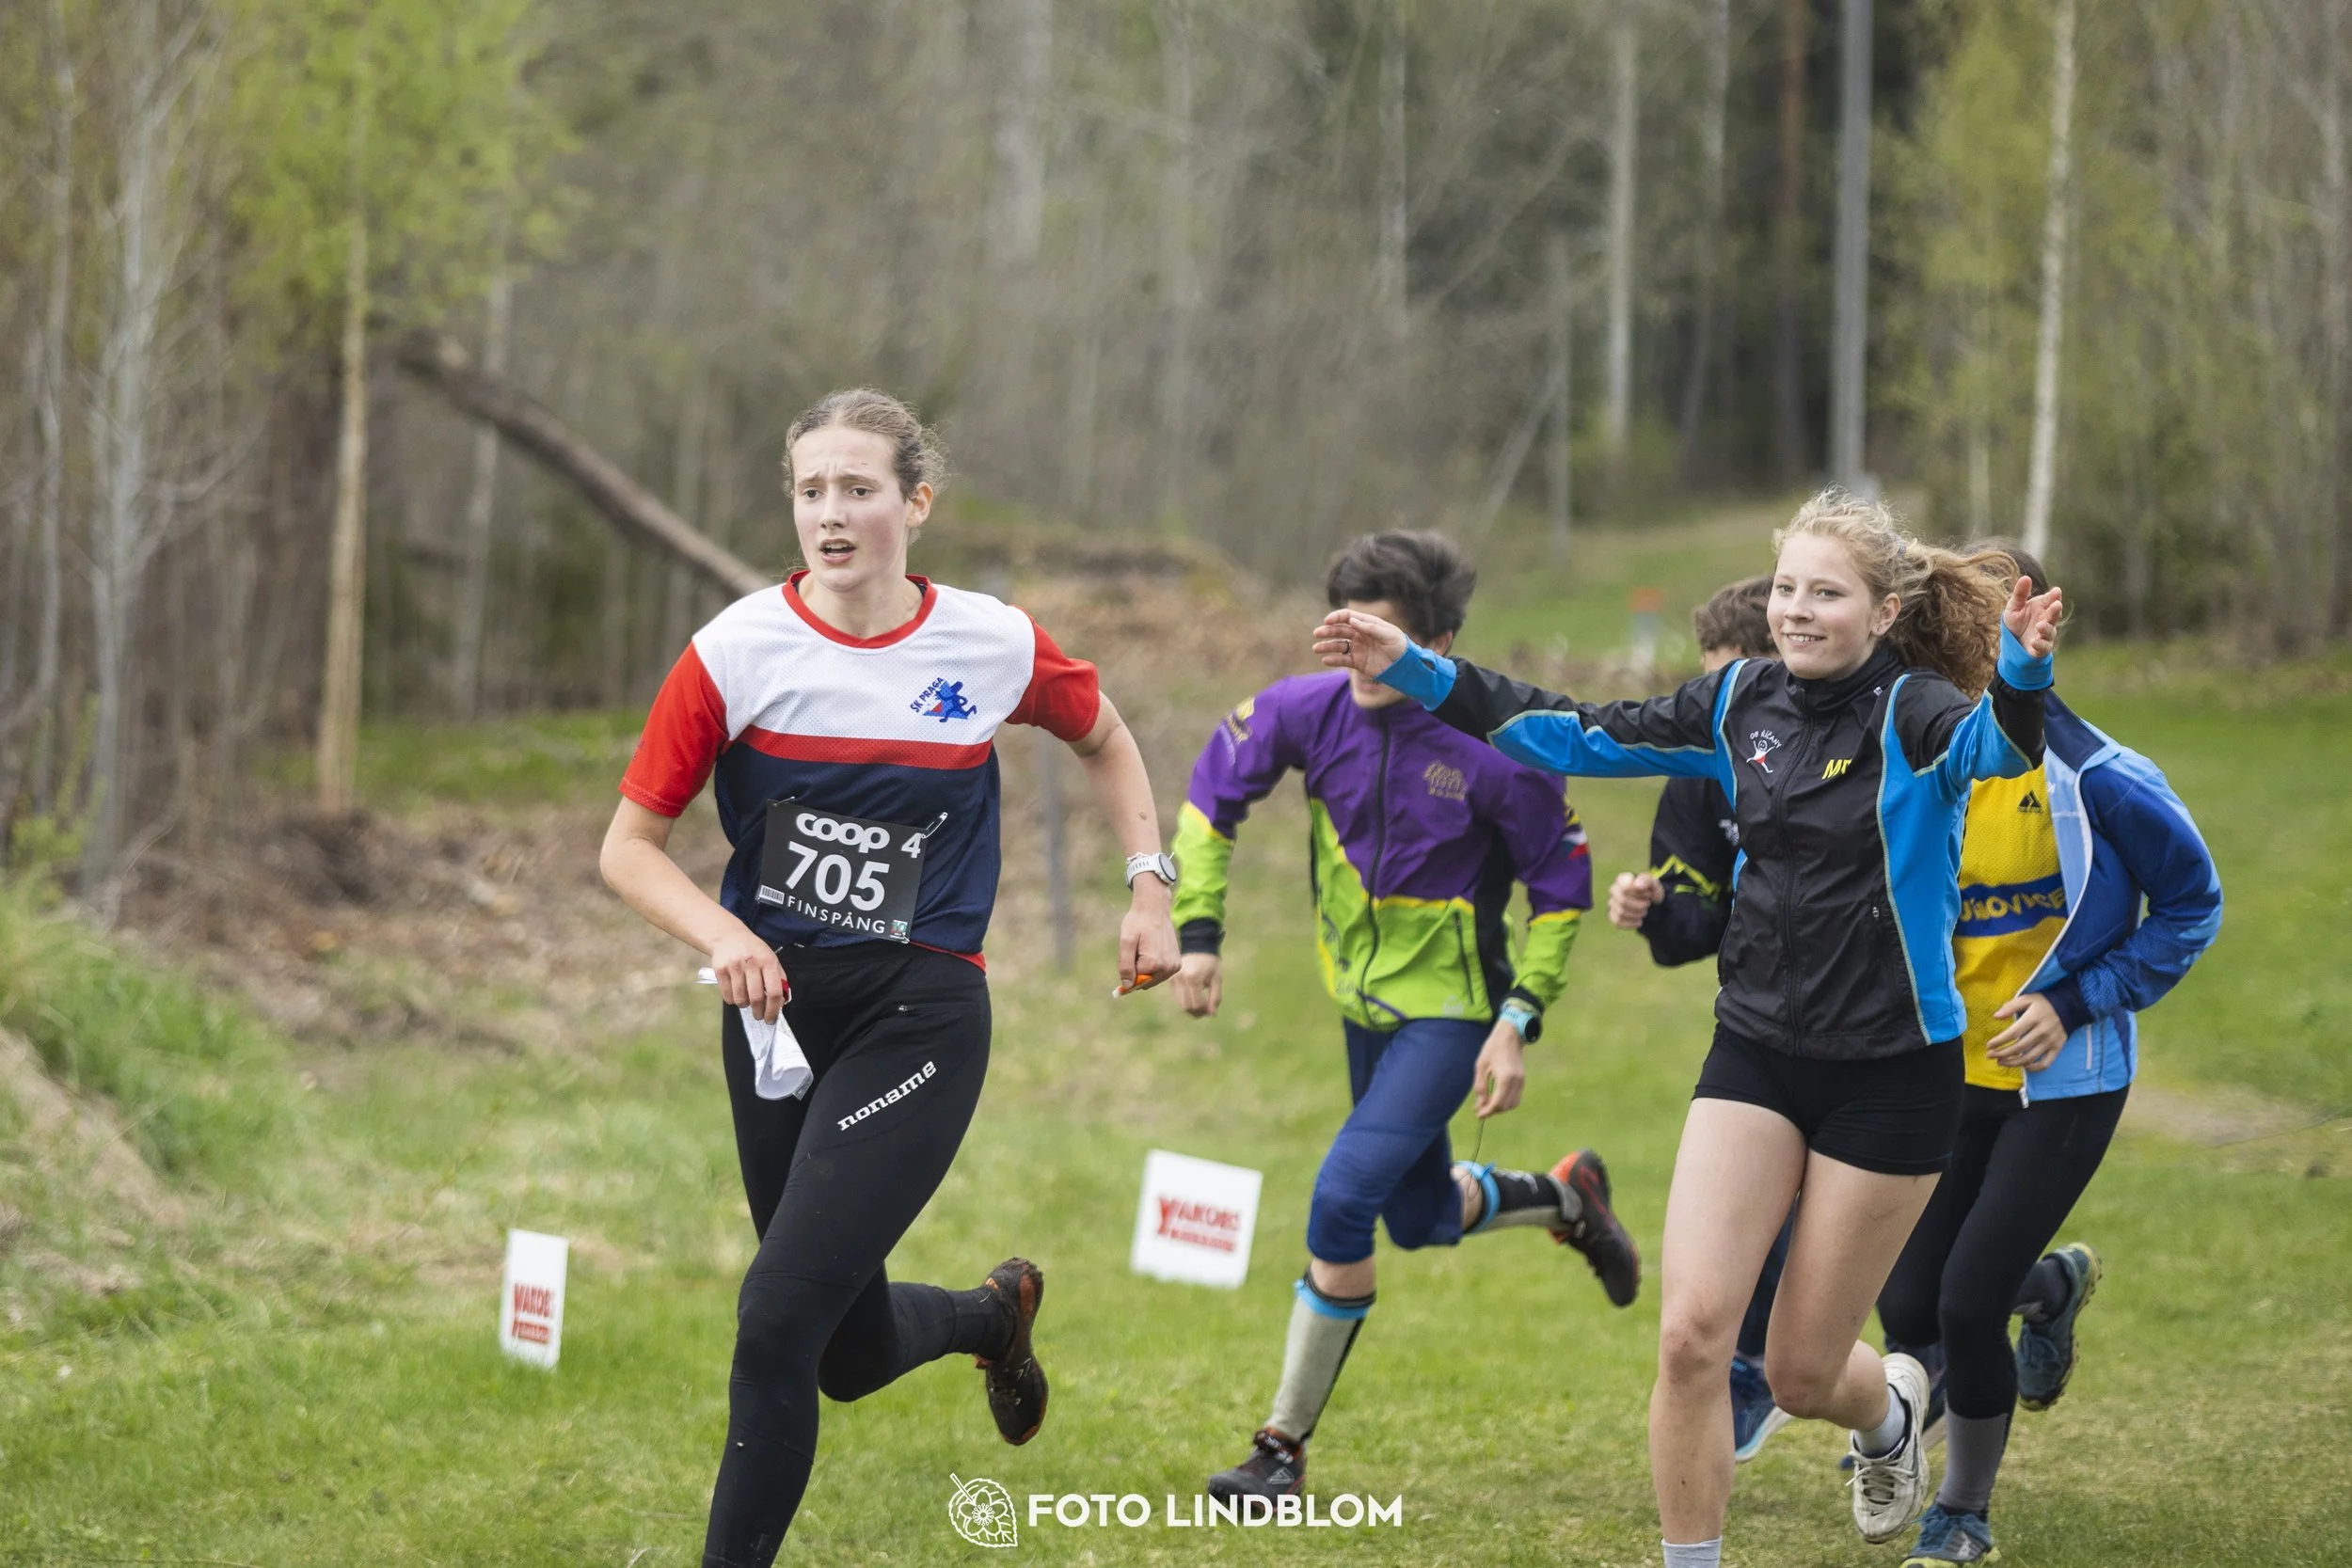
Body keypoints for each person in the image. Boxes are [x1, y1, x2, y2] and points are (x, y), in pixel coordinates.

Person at [1315, 490, 2065, 1565]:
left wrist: (2025, 671)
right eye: (1789, 590)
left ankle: (1887, 1412)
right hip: (1755, 1051)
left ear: (1885, 607)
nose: (1799, 612)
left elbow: (2001, 751)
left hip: (1892, 1074)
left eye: (1827, 593)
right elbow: (1564, 732)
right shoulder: (1737, 703)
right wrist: (1418, 665)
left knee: (1803, 1371)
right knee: (1689, 1337)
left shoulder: (1916, 714)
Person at [599, 389, 1181, 1568]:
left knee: (771, 1320)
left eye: (857, 487)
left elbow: (1105, 737)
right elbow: (626, 847)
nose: (831, 512)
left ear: (914, 502)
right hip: (771, 1017)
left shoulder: (989, 639)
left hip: (918, 1014)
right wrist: (723, 934)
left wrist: (1148, 883)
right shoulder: (735, 650)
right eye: (811, 489)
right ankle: (987, 1314)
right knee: (840, 1351)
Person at [1168, 530, 1641, 1502]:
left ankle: (1279, 1451)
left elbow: (1560, 893)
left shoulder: (1500, 747)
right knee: (1420, 1217)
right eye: (1345, 637)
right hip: (1357, 1005)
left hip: (1453, 1015)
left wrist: (1516, 1019)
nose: (1361, 664)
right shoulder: (1303, 710)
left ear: (1442, 642)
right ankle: (1565, 1197)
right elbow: (1212, 795)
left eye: (1383, 641)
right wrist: (1199, 930)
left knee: (1342, 1201)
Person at [1872, 543, 2222, 1567]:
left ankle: (1963, 1511)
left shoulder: (2105, 777)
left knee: (1964, 1300)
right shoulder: (1927, 756)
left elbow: (2192, 905)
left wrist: (2073, 1001)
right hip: (1951, 1072)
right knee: (1907, 1302)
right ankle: (2051, 1288)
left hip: (2065, 1079)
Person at [1604, 575, 1800, 1465]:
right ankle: (1751, 1365)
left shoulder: (1861, 749)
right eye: (1707, 682)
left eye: (1737, 682)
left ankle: (2021, 1292)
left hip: (1891, 1031)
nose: (1720, 707)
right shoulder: (1699, 769)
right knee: (1779, 1206)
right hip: (1763, 1030)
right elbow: (1693, 928)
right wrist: (1654, 908)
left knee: (1925, 1264)